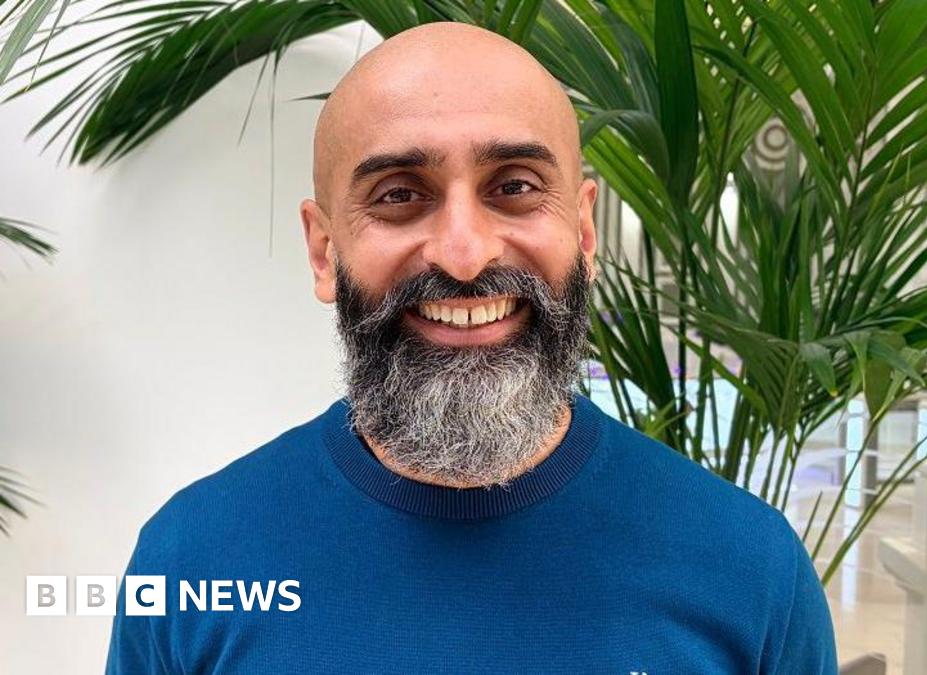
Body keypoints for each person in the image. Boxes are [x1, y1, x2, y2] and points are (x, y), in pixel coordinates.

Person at [105, 20, 837, 674]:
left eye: (514, 186)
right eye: (399, 194)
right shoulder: (189, 561)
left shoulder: (751, 570)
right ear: (325, 251)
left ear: (584, 233)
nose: (463, 253)